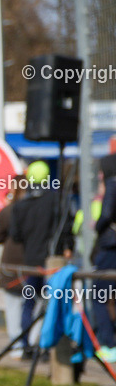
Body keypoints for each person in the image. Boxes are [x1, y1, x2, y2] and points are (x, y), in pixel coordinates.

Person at [10, 160, 74, 360]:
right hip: (52, 263)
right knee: (52, 304)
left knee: (28, 303)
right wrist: (67, 247)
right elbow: (66, 227)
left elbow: (16, 235)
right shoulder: (56, 200)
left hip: (31, 262)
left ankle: (26, 344)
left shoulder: (20, 207)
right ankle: (47, 347)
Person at [0, 179, 29, 359]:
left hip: (12, 264)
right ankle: (30, 343)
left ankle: (18, 345)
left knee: (14, 307)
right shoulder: (34, 210)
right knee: (31, 304)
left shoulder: (8, 211)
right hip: (30, 263)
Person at [92, 155, 116, 362]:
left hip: (111, 247)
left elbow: (106, 213)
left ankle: (108, 344)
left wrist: (99, 227)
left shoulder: (112, 183)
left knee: (99, 295)